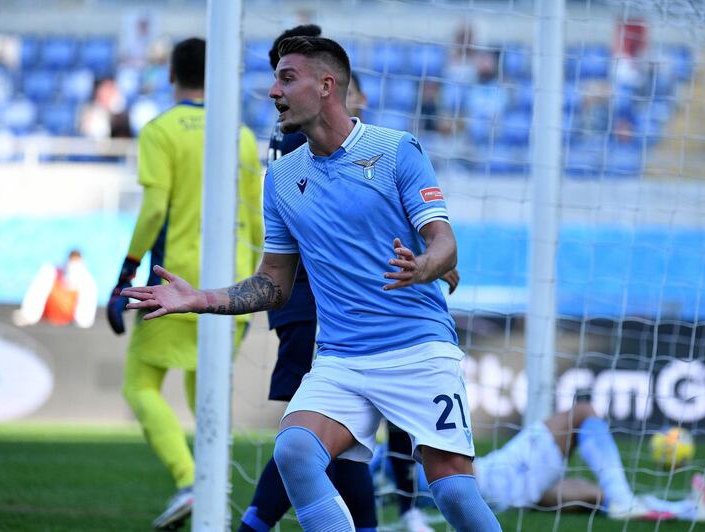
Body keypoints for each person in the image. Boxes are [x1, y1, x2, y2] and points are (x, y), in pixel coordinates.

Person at [123, 35, 502, 532]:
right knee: (296, 451)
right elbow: (273, 283)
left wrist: (426, 266)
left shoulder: (397, 150)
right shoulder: (280, 180)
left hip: (417, 350)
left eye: (286, 78)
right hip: (341, 358)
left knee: (451, 486)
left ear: (326, 86)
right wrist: (202, 298)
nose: (272, 92)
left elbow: (444, 241)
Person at [106, 37, 262, 530]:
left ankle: (191, 479)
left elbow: (155, 208)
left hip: (176, 283)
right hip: (234, 284)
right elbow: (258, 219)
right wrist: (259, 285)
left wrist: (125, 274)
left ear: (172, 74)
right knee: (206, 389)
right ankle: (213, 487)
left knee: (139, 385)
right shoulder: (240, 134)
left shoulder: (161, 129)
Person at [238, 24, 377, 532]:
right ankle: (255, 524)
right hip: (312, 302)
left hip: (317, 304)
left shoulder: (310, 136)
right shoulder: (303, 140)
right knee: (310, 433)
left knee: (335, 436)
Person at [374, 402, 705, 522]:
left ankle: (686, 508)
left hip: (502, 492)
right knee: (582, 412)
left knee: (596, 497)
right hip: (496, 479)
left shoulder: (385, 471)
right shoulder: (386, 464)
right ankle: (628, 502)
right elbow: (387, 458)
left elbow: (384, 460)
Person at [13, 249, 98, 329]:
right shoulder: (51, 272)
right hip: (47, 316)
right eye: (72, 263)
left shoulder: (87, 281)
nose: (73, 268)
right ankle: (29, 315)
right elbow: (36, 293)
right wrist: (29, 315)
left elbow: (85, 319)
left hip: (68, 320)